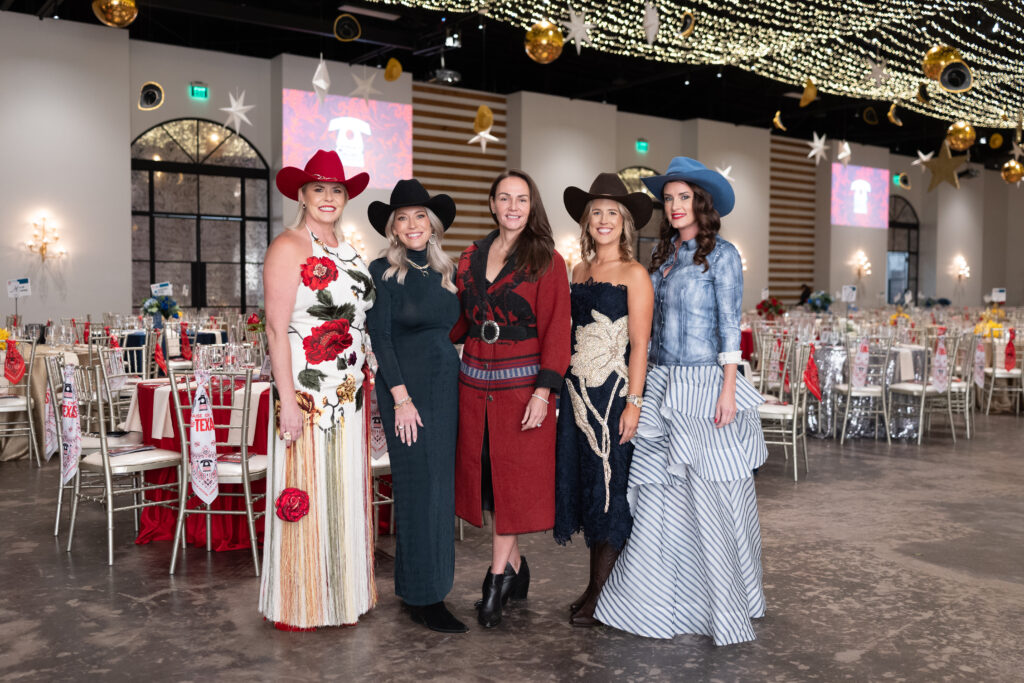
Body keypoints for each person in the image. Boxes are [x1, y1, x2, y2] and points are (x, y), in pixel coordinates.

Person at [594, 157, 769, 646]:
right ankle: (657, 601)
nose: (673, 206)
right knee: (660, 500)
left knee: (713, 498)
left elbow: (730, 324)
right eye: (668, 198)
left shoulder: (724, 255)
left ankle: (723, 601)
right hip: (663, 386)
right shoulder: (665, 257)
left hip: (706, 386)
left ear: (701, 202)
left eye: (683, 197)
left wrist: (729, 388)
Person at [259, 150, 377, 630]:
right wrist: (287, 400)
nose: (328, 197)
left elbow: (360, 321)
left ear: (345, 198)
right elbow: (274, 328)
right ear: (302, 195)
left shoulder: (349, 248)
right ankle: (302, 600)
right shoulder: (288, 245)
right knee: (308, 490)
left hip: (349, 394)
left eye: (336, 190)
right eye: (318, 189)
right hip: (307, 396)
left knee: (342, 491)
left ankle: (341, 596)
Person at [450, 169, 571, 628]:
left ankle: (497, 577)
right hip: (474, 384)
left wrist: (545, 391)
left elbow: (559, 330)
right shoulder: (469, 256)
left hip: (523, 390)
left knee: (512, 486)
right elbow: (459, 321)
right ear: (493, 204)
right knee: (488, 485)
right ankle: (517, 569)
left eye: (521, 199)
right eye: (504, 198)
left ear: (531, 205)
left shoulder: (547, 260)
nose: (513, 207)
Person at [364, 179, 467, 634]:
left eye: (419, 216)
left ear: (432, 223)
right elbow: (380, 339)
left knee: (438, 489)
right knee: (418, 488)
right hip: (406, 392)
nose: (412, 225)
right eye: (402, 217)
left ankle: (421, 588)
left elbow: (457, 329)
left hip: (447, 387)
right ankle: (427, 598)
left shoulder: (448, 271)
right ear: (393, 227)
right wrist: (400, 399)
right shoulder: (382, 270)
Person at [553, 173, 654, 626]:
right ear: (586, 221)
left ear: (626, 223)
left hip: (613, 394)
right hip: (577, 392)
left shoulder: (635, 274)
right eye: (596, 212)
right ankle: (594, 586)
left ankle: (601, 594)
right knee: (591, 486)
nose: (604, 219)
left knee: (611, 488)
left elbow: (640, 344)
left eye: (613, 212)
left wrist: (634, 402)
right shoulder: (579, 270)